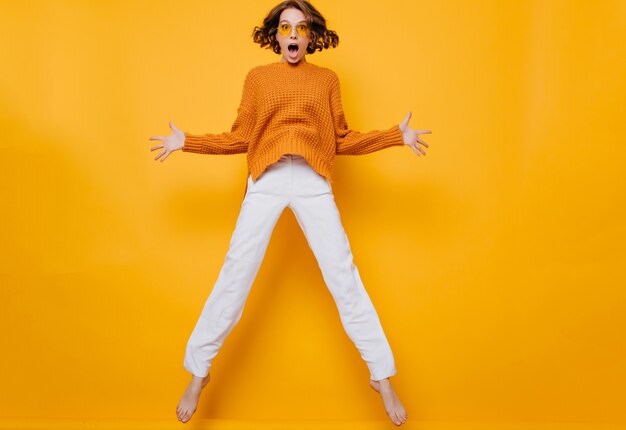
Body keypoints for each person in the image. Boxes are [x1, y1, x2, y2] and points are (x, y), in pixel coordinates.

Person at [149, 0, 430, 426]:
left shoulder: (327, 80)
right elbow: (239, 138)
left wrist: (396, 135)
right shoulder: (258, 79)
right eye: (286, 27)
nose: (293, 34)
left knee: (344, 277)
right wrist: (186, 141)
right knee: (235, 275)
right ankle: (198, 372)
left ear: (312, 36)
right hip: (267, 179)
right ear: (276, 35)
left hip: (314, 181)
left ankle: (382, 375)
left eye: (301, 28)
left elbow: (342, 140)